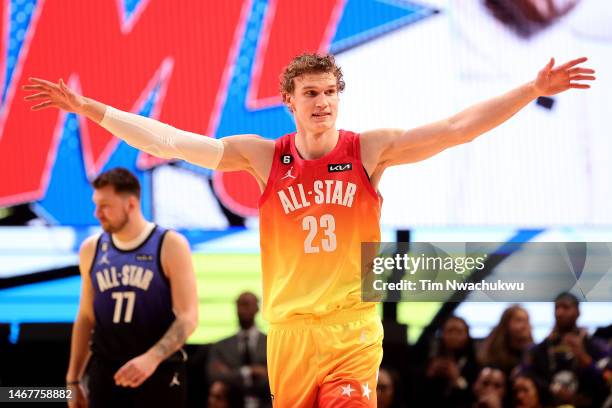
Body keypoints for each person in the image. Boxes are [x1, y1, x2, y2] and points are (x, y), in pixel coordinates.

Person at [24, 52, 594, 407]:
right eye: (312, 94)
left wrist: (529, 90)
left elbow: (455, 129)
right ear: (289, 102)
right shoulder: (264, 157)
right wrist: (92, 109)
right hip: (291, 334)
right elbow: (171, 142)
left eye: (331, 93)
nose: (323, 103)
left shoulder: (368, 150)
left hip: (350, 329)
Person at [64, 168, 198, 407]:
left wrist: (151, 358)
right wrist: (73, 379)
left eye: (105, 206)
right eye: (96, 205)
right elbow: (86, 317)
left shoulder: (170, 244)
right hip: (107, 373)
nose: (97, 213)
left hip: (159, 371)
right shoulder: (91, 249)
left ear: (131, 204)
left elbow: (188, 317)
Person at [522, 292, 610, 407]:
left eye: (566, 307)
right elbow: (528, 374)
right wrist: (555, 389)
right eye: (557, 308)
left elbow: (606, 381)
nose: (560, 313)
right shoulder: (542, 348)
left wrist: (583, 357)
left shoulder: (595, 346)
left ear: (578, 312)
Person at [207, 292, 270, 407]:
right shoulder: (221, 346)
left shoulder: (271, 344)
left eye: (246, 304)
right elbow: (214, 376)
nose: (241, 310)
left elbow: (276, 379)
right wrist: (249, 371)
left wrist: (230, 373)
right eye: (238, 305)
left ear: (257, 308)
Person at [419, 316, 480, 407]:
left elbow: (474, 396)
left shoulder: (475, 365)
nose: (453, 336)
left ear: (467, 335)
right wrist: (429, 375)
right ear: (442, 334)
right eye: (450, 331)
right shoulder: (429, 361)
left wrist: (457, 379)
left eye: (459, 332)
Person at [478, 305, 533, 376]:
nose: (525, 325)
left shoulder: (532, 352)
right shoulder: (493, 353)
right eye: (519, 320)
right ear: (506, 323)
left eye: (527, 321)